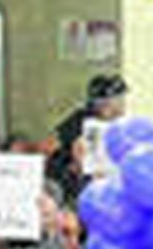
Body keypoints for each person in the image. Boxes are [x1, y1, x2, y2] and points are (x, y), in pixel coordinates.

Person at [50, 74, 128, 203]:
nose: (119, 108)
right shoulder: (82, 120)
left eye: (121, 101)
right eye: (113, 102)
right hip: (74, 181)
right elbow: (51, 145)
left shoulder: (120, 126)